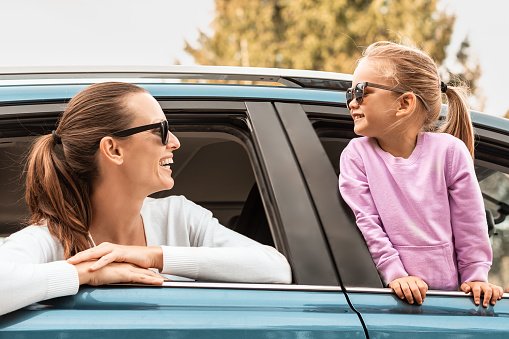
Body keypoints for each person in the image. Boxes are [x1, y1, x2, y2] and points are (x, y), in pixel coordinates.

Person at [0, 82, 291, 316]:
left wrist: (155, 255)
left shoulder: (180, 216)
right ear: (114, 150)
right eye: (160, 130)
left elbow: (276, 269)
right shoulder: (49, 239)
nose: (174, 141)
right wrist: (85, 273)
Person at [338, 41, 503, 307]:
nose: (351, 102)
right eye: (349, 94)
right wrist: (396, 274)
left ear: (404, 103)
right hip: (390, 300)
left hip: (449, 301)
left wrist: (476, 277)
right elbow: (367, 222)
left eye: (361, 92)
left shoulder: (450, 151)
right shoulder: (356, 156)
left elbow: (469, 222)